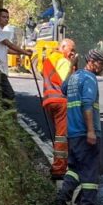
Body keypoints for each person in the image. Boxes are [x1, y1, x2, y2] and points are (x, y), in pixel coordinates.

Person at [54, 49, 103, 205]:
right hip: (85, 132)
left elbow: (63, 89)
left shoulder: (74, 77)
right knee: (90, 171)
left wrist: (72, 65)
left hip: (72, 133)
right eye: (101, 63)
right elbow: (87, 104)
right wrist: (91, 131)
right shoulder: (89, 79)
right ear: (92, 62)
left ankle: (62, 197)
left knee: (75, 169)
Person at [41, 38, 77, 179]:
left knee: (58, 135)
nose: (73, 53)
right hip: (61, 100)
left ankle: (60, 164)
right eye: (71, 50)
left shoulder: (50, 59)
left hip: (49, 101)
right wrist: (73, 66)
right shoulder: (63, 61)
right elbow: (66, 83)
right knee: (62, 137)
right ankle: (59, 169)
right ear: (62, 47)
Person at [0, 8, 30, 104]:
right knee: (9, 95)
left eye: (7, 17)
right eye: (3, 17)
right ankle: (6, 116)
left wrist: (23, 52)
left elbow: (8, 50)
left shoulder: (0, 32)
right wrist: (24, 52)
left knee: (1, 95)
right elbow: (9, 44)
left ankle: (1, 115)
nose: (6, 19)